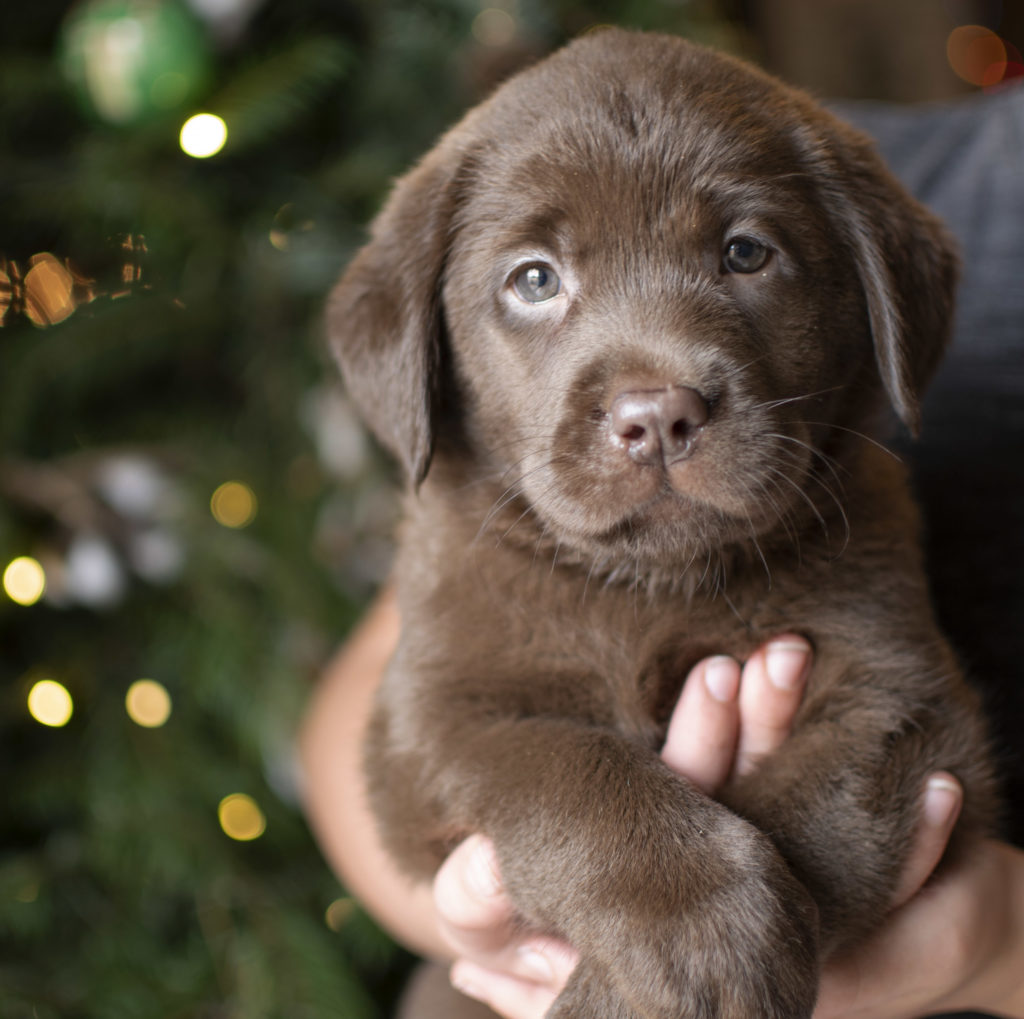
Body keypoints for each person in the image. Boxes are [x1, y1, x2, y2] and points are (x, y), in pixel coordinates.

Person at [300, 83, 1024, 1019]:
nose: (657, 396)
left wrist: (996, 944)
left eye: (745, 254)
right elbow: (414, 743)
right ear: (426, 343)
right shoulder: (469, 534)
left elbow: (906, 731)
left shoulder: (844, 501)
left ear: (875, 302)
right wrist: (609, 876)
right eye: (533, 280)